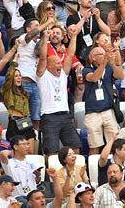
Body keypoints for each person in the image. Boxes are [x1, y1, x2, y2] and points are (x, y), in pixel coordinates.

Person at [36, 28, 82, 156]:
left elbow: (70, 54)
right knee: (51, 152)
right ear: (48, 65)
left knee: (76, 148)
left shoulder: (63, 74)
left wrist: (73, 36)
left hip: (65, 116)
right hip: (49, 117)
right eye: (57, 63)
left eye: (60, 63)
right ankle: (51, 175)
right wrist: (45, 39)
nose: (60, 65)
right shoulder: (42, 75)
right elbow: (43, 58)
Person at [83, 44, 123, 155]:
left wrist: (111, 63)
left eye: (103, 53)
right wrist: (105, 61)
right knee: (95, 146)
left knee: (116, 143)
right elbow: (94, 77)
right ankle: (94, 170)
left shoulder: (109, 67)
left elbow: (121, 76)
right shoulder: (86, 69)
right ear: (92, 58)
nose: (103, 55)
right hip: (92, 112)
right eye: (99, 54)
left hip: (108, 110)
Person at [1, 51, 35, 147]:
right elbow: (8, 76)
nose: (19, 78)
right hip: (15, 124)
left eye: (20, 76)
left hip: (26, 122)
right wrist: (14, 61)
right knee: (19, 152)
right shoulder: (8, 91)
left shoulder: (24, 94)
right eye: (16, 76)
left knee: (30, 152)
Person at [66, 0, 111, 64]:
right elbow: (73, 33)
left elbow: (108, 32)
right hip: (77, 52)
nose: (90, 0)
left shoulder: (96, 17)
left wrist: (98, 18)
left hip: (94, 53)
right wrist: (83, 19)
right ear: (79, 1)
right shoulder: (72, 17)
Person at [0, 135, 41, 203]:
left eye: (27, 144)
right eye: (24, 144)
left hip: (34, 195)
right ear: (15, 147)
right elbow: (2, 154)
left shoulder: (31, 162)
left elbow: (36, 181)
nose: (27, 146)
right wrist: (11, 152)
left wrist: (38, 176)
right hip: (18, 197)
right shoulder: (9, 163)